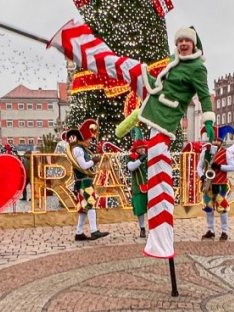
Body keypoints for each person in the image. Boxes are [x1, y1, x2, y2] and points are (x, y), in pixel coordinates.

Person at [52, 21, 214, 263]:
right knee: (131, 67)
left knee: (158, 159)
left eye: (187, 41)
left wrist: (208, 122)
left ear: (194, 45)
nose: (182, 44)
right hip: (153, 94)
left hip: (165, 115)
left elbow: (203, 95)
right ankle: (81, 49)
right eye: (180, 40)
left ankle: (160, 236)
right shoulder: (174, 59)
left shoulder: (197, 68)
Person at [64, 120, 108, 241]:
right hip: (83, 182)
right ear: (83, 138)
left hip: (85, 181)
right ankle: (94, 231)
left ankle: (79, 232)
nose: (90, 141)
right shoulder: (78, 150)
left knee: (84, 208)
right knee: (91, 204)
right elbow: (83, 166)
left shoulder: (80, 149)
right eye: (88, 138)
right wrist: (94, 160)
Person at [200, 125, 234, 240]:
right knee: (208, 208)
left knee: (222, 209)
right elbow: (199, 166)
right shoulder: (205, 152)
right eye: (214, 140)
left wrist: (220, 166)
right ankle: (211, 230)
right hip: (209, 185)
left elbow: (232, 167)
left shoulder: (227, 153)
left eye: (218, 140)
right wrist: (201, 175)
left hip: (220, 185)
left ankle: (224, 231)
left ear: (221, 141)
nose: (216, 142)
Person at [125, 138, 149, 238]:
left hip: (150, 186)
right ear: (136, 149)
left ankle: (153, 227)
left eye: (143, 147)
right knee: (140, 209)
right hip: (138, 187)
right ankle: (142, 228)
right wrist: (140, 160)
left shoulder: (148, 157)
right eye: (139, 148)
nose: (142, 149)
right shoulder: (131, 158)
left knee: (153, 208)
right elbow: (131, 167)